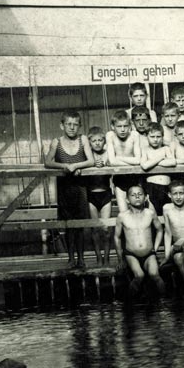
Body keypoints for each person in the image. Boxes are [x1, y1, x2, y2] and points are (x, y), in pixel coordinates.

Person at [44, 111, 94, 269]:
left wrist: (76, 166)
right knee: (67, 225)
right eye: (68, 124)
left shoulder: (83, 139)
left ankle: (81, 259)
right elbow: (47, 162)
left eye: (75, 124)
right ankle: (71, 258)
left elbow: (91, 160)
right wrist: (64, 166)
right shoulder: (56, 142)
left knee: (79, 225)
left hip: (80, 188)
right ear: (62, 125)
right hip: (64, 188)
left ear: (80, 126)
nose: (72, 127)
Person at [114, 184, 166, 296]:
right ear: (127, 200)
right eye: (133, 195)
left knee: (155, 275)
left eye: (140, 194)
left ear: (146, 197)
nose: (137, 197)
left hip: (149, 253)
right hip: (131, 254)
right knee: (139, 275)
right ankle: (131, 305)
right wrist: (120, 259)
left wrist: (155, 249)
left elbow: (160, 230)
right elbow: (117, 237)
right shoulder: (122, 216)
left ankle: (165, 305)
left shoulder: (150, 213)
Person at [86, 126, 113, 265]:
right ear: (89, 142)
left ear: (104, 141)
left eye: (100, 140)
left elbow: (113, 166)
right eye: (94, 141)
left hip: (105, 195)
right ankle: (98, 258)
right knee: (95, 229)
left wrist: (107, 165)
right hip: (91, 195)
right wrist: (90, 165)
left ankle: (107, 258)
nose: (97, 143)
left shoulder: (108, 153)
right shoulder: (87, 155)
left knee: (106, 228)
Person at [106, 110, 142, 213]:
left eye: (125, 126)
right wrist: (132, 161)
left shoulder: (134, 135)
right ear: (113, 126)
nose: (122, 130)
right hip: (119, 179)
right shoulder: (110, 135)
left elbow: (138, 160)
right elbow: (112, 162)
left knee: (138, 212)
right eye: (119, 126)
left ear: (130, 126)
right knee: (124, 213)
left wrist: (118, 158)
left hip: (135, 178)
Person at [140, 123, 176, 217]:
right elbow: (144, 165)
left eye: (158, 136)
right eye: (152, 136)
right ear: (146, 136)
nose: (155, 139)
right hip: (151, 188)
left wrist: (152, 162)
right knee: (153, 218)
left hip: (166, 187)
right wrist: (161, 158)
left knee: (167, 217)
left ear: (162, 136)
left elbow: (172, 162)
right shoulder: (145, 150)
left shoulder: (166, 149)